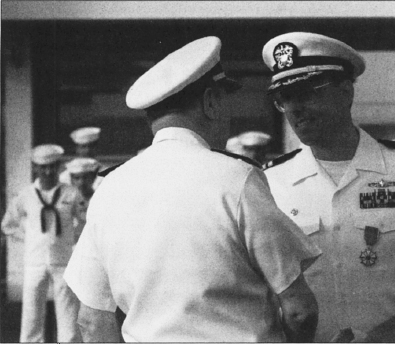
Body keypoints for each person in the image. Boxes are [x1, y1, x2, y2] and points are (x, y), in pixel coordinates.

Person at [64, 36, 321, 342]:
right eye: (223, 100)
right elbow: (299, 310)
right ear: (211, 102)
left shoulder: (109, 190)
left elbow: (91, 320)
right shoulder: (237, 179)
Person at [261, 32, 395, 342]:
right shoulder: (272, 182)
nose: (295, 107)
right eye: (285, 98)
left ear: (346, 91)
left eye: (307, 92)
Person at [1, 144, 84, 342]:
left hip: (63, 260)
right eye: (43, 167)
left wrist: (74, 238)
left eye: (53, 166)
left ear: (59, 166)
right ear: (35, 168)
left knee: (67, 312)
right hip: (35, 261)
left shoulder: (71, 193)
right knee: (31, 312)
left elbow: (84, 220)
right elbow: (8, 224)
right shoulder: (25, 195)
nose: (48, 171)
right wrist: (28, 238)